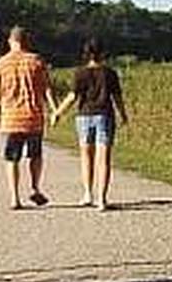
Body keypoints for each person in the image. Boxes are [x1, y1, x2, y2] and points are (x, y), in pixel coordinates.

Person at [52, 37, 128, 210]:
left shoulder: (80, 73)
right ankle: (102, 198)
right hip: (104, 115)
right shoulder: (110, 73)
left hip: (84, 116)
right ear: (103, 53)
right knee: (104, 158)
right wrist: (123, 115)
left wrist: (58, 113)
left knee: (86, 157)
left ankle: (87, 193)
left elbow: (72, 97)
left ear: (87, 54)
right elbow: (117, 98)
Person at [0, 26, 58, 209]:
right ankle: (35, 187)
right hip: (33, 117)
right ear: (26, 41)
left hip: (11, 118)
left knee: (12, 158)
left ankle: (14, 197)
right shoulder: (36, 61)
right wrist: (54, 109)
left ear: (10, 41)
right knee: (35, 155)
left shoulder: (1, 64)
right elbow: (47, 88)